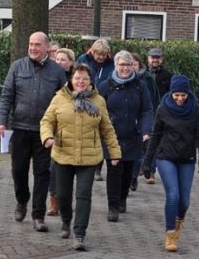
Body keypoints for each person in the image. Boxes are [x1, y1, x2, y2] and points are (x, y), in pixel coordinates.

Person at [40, 64, 122, 251]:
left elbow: (107, 130)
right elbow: (47, 121)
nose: (81, 82)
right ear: (71, 79)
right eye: (77, 78)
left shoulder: (99, 101)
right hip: (63, 154)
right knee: (63, 194)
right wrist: (47, 137)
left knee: (83, 195)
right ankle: (66, 222)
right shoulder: (59, 98)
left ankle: (79, 233)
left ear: (90, 81)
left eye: (85, 78)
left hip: (89, 157)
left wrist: (115, 152)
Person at [0, 32, 66, 233]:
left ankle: (38, 215)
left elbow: (64, 102)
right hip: (20, 128)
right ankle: (22, 201)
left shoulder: (57, 72)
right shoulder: (17, 67)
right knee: (19, 170)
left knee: (42, 173)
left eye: (37, 45)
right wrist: (1, 121)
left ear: (46, 47)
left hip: (45, 133)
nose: (33, 48)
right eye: (30, 44)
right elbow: (6, 96)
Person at [143, 75, 199, 253]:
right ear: (171, 93)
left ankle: (179, 220)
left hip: (187, 158)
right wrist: (147, 163)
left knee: (184, 201)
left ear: (188, 94)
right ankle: (170, 234)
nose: (179, 99)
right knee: (173, 195)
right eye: (176, 95)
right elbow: (155, 136)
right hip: (166, 157)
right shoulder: (163, 108)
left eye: (183, 95)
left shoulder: (195, 109)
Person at [98, 50, 153, 222]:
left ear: (133, 66)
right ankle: (112, 206)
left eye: (128, 65)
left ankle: (122, 198)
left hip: (133, 135)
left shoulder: (139, 86)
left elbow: (147, 109)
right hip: (112, 136)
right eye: (122, 64)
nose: (125, 68)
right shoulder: (106, 86)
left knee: (128, 171)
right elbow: (98, 110)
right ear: (116, 66)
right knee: (114, 171)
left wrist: (145, 130)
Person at [77, 38, 115, 181]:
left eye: (103, 55)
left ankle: (97, 168)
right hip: (86, 100)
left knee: (101, 137)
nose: (100, 57)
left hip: (105, 102)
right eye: (97, 54)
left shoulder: (111, 65)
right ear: (92, 51)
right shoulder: (83, 60)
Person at [47, 47, 76, 217]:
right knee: (53, 166)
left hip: (71, 128)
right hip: (54, 126)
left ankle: (66, 198)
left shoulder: (76, 80)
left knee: (68, 167)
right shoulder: (49, 76)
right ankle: (54, 201)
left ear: (71, 63)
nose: (59, 62)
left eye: (63, 59)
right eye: (57, 59)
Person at [130, 52, 160, 190]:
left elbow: (155, 98)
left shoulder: (147, 79)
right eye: (130, 64)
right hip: (130, 119)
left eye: (134, 64)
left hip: (146, 116)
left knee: (149, 145)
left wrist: (153, 116)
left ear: (139, 65)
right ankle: (133, 176)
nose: (132, 67)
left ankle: (150, 171)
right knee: (135, 149)